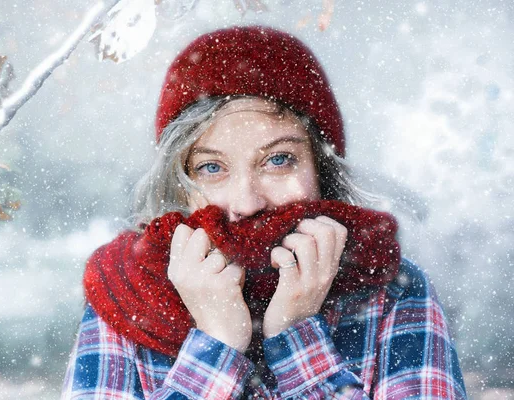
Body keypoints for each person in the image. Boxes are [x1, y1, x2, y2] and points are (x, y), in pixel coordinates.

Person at [61, 26, 467, 399]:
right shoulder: (126, 291)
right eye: (212, 168)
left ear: (320, 170)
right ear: (180, 183)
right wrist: (217, 344)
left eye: (278, 160)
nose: (247, 203)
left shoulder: (391, 287)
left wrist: (296, 337)